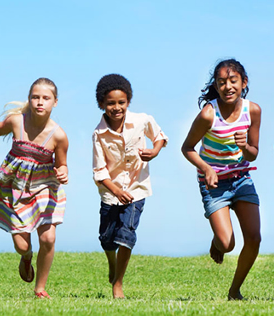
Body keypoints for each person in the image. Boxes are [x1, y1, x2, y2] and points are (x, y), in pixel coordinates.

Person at [181, 59, 262, 300]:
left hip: (242, 178)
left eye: (233, 81)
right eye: (222, 82)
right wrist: (206, 168)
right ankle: (217, 242)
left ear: (243, 82)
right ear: (216, 86)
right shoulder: (208, 113)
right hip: (214, 184)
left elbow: (254, 152)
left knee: (254, 238)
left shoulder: (253, 111)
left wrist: (244, 145)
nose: (228, 87)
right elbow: (187, 148)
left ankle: (235, 290)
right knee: (227, 244)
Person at [0, 77, 69, 299]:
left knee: (48, 239)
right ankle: (26, 256)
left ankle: (40, 288)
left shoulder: (58, 135)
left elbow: (62, 164)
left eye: (46, 98)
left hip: (44, 187)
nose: (40, 102)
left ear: (55, 102)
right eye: (35, 97)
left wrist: (64, 172)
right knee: (22, 246)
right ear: (29, 100)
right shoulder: (16, 122)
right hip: (15, 187)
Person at [92, 74, 167, 299]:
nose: (117, 108)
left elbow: (160, 136)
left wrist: (154, 151)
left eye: (121, 102)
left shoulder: (142, 120)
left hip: (136, 189)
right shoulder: (99, 134)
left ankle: (118, 284)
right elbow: (99, 171)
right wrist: (115, 190)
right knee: (106, 238)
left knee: (126, 234)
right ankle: (112, 263)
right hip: (110, 193)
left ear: (128, 101)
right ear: (101, 105)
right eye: (111, 103)